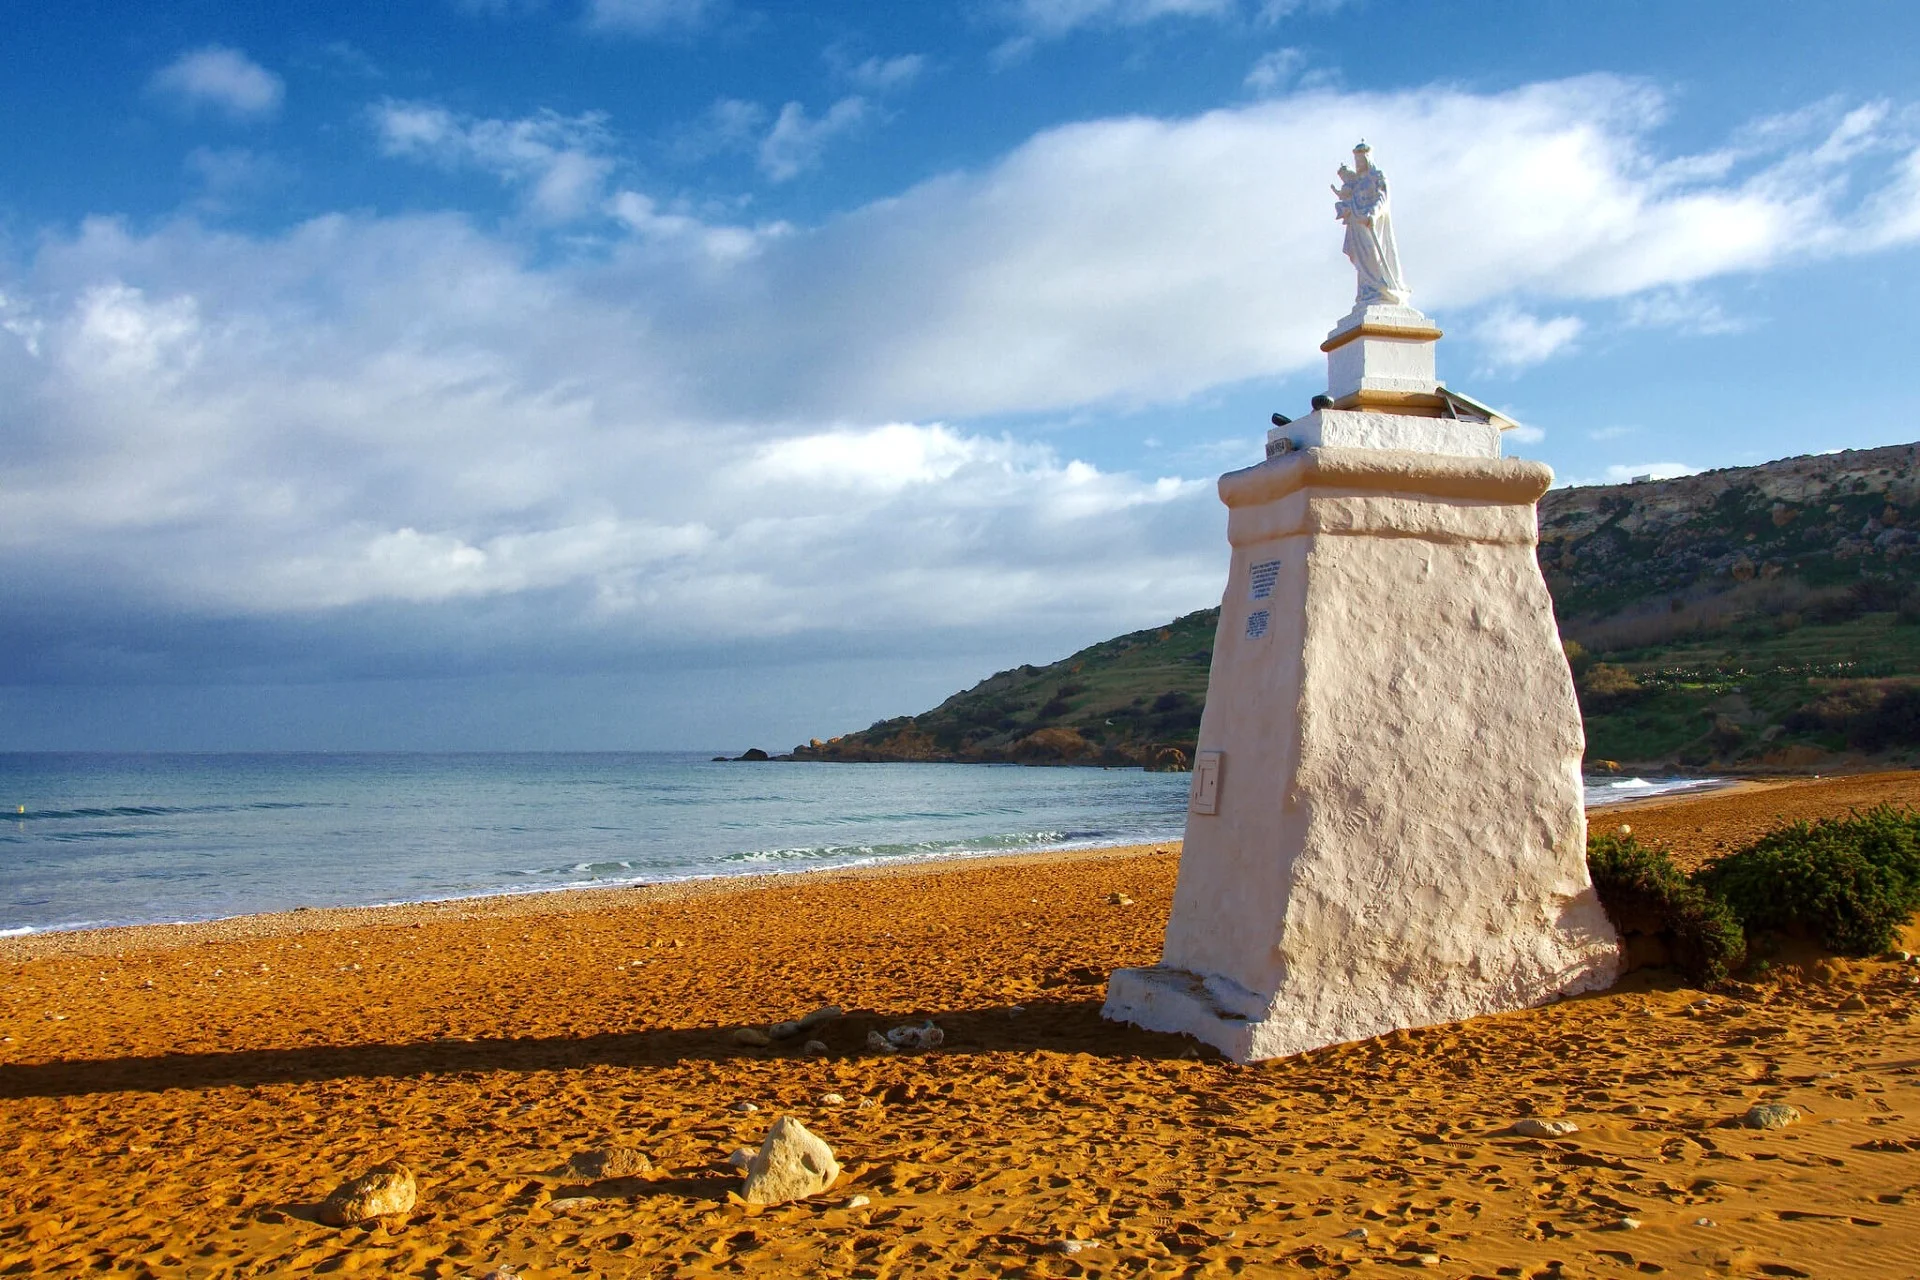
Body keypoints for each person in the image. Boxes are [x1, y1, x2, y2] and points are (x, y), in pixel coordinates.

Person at [1332, 143, 1410, 307]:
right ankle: (1368, 290)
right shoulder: (1357, 182)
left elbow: (1383, 198)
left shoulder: (1377, 177)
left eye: (1360, 160)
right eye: (1356, 160)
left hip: (1372, 223)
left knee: (1373, 254)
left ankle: (1383, 287)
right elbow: (1350, 198)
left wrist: (1373, 213)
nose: (1358, 163)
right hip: (1357, 224)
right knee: (1362, 260)